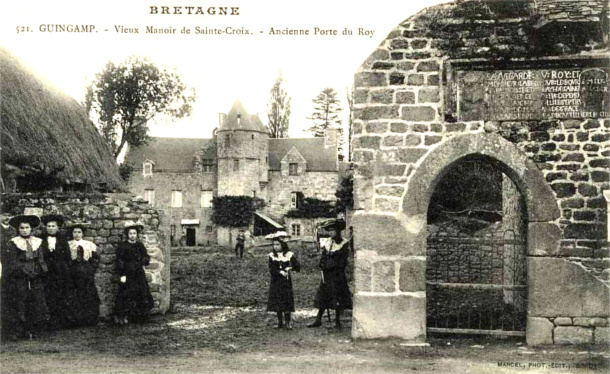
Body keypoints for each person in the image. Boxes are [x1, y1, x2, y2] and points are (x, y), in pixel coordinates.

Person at [4, 214, 49, 340]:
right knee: (19, 301)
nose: (24, 230)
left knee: (35, 301)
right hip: (20, 277)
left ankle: (31, 329)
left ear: (31, 229)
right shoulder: (14, 243)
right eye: (22, 228)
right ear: (18, 229)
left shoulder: (37, 242)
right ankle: (18, 330)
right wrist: (23, 272)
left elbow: (41, 259)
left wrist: (38, 271)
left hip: (35, 276)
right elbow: (13, 261)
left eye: (27, 228)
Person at [308, 219, 352, 329]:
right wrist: (322, 264)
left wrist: (333, 267)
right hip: (326, 275)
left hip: (337, 275)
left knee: (337, 297)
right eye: (329, 231)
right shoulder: (328, 242)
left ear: (337, 231)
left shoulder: (343, 243)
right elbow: (323, 257)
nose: (331, 233)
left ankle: (337, 321)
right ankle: (318, 319)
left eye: (333, 230)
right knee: (323, 295)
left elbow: (343, 261)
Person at [114, 221, 153, 325]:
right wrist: (122, 275)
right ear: (127, 235)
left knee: (141, 293)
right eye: (130, 233)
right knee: (126, 294)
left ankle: (139, 317)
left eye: (134, 233)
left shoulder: (140, 245)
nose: (132, 236)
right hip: (127, 273)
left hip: (138, 273)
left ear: (137, 235)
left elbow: (145, 256)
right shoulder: (123, 246)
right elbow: (119, 261)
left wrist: (144, 260)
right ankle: (125, 316)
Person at [40, 214, 75, 330]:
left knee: (61, 295)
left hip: (61, 271)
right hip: (47, 272)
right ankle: (49, 321)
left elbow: (68, 256)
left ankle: (61, 321)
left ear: (57, 228)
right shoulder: (40, 239)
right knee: (49, 295)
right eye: (48, 226)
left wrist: (66, 270)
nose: (50, 228)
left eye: (53, 226)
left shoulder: (63, 239)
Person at [68, 222, 100, 327]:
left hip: (86, 272)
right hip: (73, 272)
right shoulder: (68, 245)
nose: (77, 234)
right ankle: (76, 320)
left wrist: (91, 268)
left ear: (82, 234)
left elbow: (95, 258)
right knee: (75, 295)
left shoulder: (89, 244)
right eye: (75, 232)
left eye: (79, 232)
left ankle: (90, 319)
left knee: (89, 294)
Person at [266, 231, 300, 329]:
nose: (275, 247)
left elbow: (297, 266)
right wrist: (279, 272)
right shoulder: (272, 256)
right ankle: (280, 322)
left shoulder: (289, 255)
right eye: (274, 245)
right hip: (276, 281)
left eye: (278, 244)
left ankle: (288, 322)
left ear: (283, 245)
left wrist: (290, 268)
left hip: (286, 282)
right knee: (277, 300)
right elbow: (271, 269)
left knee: (286, 300)